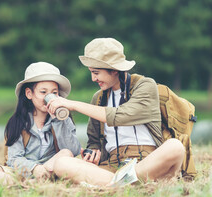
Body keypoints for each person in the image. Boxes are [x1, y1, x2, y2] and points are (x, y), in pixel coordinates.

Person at [46, 38, 185, 187]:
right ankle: (124, 183)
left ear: (114, 70)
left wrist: (72, 104)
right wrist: (92, 153)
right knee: (62, 163)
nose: (93, 78)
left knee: (175, 147)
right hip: (112, 167)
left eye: (96, 73)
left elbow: (120, 116)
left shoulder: (145, 85)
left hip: (147, 162)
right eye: (91, 73)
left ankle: (120, 182)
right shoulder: (98, 98)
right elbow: (93, 141)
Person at [0, 62, 81, 185]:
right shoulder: (18, 122)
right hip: (24, 172)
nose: (50, 97)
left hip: (52, 170)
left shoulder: (63, 119)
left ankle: (31, 183)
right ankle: (31, 183)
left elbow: (73, 151)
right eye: (43, 92)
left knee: (66, 153)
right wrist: (35, 169)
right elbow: (14, 159)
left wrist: (58, 119)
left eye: (54, 93)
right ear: (29, 94)